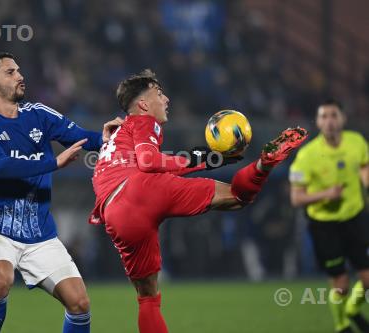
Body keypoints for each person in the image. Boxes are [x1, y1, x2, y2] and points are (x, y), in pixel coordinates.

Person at [88, 69, 308, 333]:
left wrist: (207, 159)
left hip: (114, 212)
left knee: (147, 297)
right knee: (237, 198)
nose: (166, 99)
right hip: (141, 189)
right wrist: (203, 159)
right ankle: (264, 164)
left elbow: (147, 164)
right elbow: (148, 163)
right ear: (143, 104)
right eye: (159, 94)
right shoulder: (142, 121)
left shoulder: (114, 139)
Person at [0, 52, 122, 333]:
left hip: (39, 233)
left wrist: (105, 138)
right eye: (10, 72)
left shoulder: (39, 114)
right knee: (0, 281)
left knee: (80, 304)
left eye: (19, 70)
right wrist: (53, 163)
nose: (20, 76)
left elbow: (83, 137)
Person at [289, 99, 369, 333]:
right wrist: (326, 194)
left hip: (355, 217)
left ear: (342, 119)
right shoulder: (307, 155)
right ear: (318, 122)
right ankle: (341, 324)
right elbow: (296, 199)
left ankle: (353, 310)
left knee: (367, 281)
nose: (329, 121)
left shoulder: (357, 142)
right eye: (324, 117)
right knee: (341, 284)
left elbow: (364, 166)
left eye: (334, 115)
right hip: (324, 225)